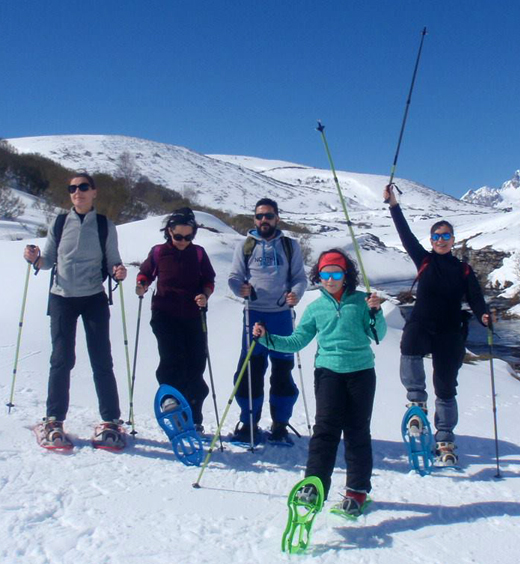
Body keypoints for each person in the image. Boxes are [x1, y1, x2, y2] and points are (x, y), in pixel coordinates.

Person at [253, 249, 386, 516]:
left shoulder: (362, 302)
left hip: (361, 373)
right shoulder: (315, 308)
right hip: (328, 373)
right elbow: (297, 341)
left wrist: (376, 312)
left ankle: (357, 493)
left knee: (357, 432)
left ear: (346, 275)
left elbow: (377, 335)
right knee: (325, 430)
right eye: (325, 274)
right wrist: (268, 338)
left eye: (336, 273)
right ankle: (314, 487)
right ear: (319, 276)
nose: (330, 279)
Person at [384, 184, 489, 465]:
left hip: (450, 331)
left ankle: (445, 441)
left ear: (453, 240)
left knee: (445, 388)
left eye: (446, 235)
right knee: (409, 345)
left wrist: (484, 315)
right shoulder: (424, 260)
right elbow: (405, 236)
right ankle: (416, 403)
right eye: (436, 236)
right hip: (422, 324)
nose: (441, 240)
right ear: (431, 240)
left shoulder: (463, 269)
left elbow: (476, 299)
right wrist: (394, 205)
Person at [24, 173, 127, 447]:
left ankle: (111, 421)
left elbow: (113, 260)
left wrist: (118, 271)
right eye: (72, 188)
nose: (77, 191)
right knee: (61, 359)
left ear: (94, 192)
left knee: (101, 359)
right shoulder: (59, 222)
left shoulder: (105, 225)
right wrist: (35, 259)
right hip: (62, 298)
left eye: (83, 187)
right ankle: (53, 419)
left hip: (93, 297)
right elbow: (47, 260)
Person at [228, 198, 307, 445]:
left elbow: (300, 278)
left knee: (282, 372)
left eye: (269, 216)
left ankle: (280, 425)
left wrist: (295, 294)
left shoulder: (290, 246)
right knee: (250, 370)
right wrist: (239, 289)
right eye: (260, 216)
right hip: (253, 314)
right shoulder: (245, 246)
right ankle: (249, 423)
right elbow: (233, 277)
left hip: (282, 316)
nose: (264, 220)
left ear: (277, 218)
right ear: (254, 219)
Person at [136, 207, 216, 431]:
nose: (183, 241)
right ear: (169, 232)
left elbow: (209, 280)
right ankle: (170, 400)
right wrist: (142, 284)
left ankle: (194, 416)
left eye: (188, 236)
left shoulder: (198, 253)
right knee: (172, 356)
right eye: (178, 236)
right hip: (164, 313)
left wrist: (205, 295)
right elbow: (146, 272)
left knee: (197, 363)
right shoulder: (159, 252)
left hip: (193, 315)